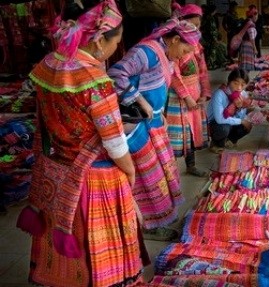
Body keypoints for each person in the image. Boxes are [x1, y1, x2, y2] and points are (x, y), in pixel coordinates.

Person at [16, 0, 146, 285]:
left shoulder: (48, 64)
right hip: (95, 180)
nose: (115, 50)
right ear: (99, 41)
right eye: (115, 43)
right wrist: (130, 171)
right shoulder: (95, 80)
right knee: (96, 251)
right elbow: (114, 144)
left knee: (63, 247)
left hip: (57, 170)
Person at [108, 19, 201, 240]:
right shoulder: (147, 52)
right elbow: (115, 74)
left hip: (155, 123)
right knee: (147, 177)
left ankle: (159, 219)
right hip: (139, 127)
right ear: (175, 40)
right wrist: (138, 99)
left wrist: (161, 115)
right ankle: (149, 225)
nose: (183, 56)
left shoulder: (165, 55)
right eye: (185, 50)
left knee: (161, 174)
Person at [165, 4, 210, 177]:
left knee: (193, 131)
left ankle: (191, 165)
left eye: (198, 26)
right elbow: (174, 74)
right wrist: (187, 98)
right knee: (178, 134)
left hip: (195, 91)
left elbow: (203, 70)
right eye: (193, 25)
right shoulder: (176, 47)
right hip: (179, 95)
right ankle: (171, 172)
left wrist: (204, 93)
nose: (196, 29)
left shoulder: (197, 46)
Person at [207, 68, 252, 153]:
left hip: (229, 121)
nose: (239, 88)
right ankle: (216, 143)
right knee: (224, 128)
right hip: (215, 124)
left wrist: (239, 108)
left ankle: (230, 139)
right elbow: (220, 119)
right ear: (229, 82)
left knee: (248, 124)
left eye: (242, 85)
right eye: (235, 83)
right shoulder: (219, 94)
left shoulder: (242, 94)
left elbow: (241, 116)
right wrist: (242, 121)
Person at [201, 4, 228, 69]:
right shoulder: (211, 18)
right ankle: (210, 65)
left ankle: (208, 64)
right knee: (212, 52)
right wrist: (215, 39)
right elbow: (212, 30)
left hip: (205, 38)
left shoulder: (205, 17)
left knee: (207, 52)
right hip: (210, 39)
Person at [238, 7, 258, 72]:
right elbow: (252, 38)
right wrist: (255, 49)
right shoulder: (251, 24)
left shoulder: (246, 21)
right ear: (253, 15)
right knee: (246, 67)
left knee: (243, 65)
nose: (257, 17)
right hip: (248, 46)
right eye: (256, 15)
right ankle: (243, 80)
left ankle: (243, 79)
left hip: (244, 44)